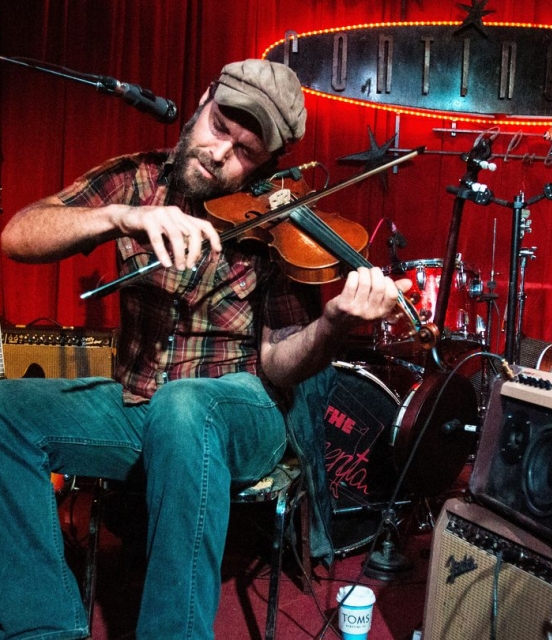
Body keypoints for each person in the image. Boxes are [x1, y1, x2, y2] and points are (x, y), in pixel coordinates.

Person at [0, 59, 411, 639]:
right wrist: (118, 218)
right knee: (6, 411)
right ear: (202, 100)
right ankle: (41, 629)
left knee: (186, 406)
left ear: (269, 161)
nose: (221, 154)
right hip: (140, 402)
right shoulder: (138, 181)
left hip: (242, 410)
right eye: (220, 126)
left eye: (246, 151)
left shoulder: (278, 225)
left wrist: (333, 324)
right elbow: (18, 235)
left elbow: (279, 361)